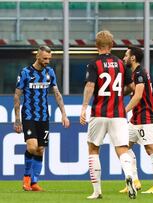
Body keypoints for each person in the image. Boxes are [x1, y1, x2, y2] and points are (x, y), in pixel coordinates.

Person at [80, 30, 136, 199]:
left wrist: (84, 107)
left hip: (99, 112)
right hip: (118, 114)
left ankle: (97, 191)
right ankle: (129, 175)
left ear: (96, 46)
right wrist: (118, 94)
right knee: (122, 148)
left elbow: (90, 85)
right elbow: (132, 88)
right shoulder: (121, 63)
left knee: (93, 148)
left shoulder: (94, 63)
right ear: (112, 45)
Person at [14, 45, 70, 192]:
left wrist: (64, 113)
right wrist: (17, 119)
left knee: (40, 149)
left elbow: (57, 93)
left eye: (49, 59)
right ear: (37, 56)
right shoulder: (25, 72)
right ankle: (26, 177)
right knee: (32, 147)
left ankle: (34, 183)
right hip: (29, 116)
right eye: (45, 58)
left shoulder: (49, 72)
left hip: (44, 117)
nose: (47, 61)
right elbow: (17, 96)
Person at [118, 46, 153, 194]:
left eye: (126, 55)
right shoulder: (135, 73)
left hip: (145, 117)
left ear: (133, 58)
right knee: (124, 147)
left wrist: (123, 111)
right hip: (136, 118)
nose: (124, 58)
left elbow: (137, 96)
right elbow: (131, 91)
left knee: (151, 150)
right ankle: (135, 181)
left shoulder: (139, 73)